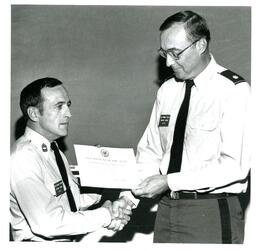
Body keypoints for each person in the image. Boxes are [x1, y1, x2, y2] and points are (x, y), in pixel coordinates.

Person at [117, 10, 251, 243]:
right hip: (167, 208)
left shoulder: (233, 90)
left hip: (210, 209)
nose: (168, 62)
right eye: (164, 53)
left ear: (200, 45)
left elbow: (234, 166)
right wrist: (128, 198)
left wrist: (170, 181)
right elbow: (151, 152)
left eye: (175, 53)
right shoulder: (167, 90)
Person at [10, 77, 132, 241]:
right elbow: (48, 223)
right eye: (59, 106)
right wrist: (106, 215)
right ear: (33, 113)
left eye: (68, 105)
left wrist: (101, 175)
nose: (68, 113)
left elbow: (68, 203)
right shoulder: (23, 157)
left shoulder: (53, 150)